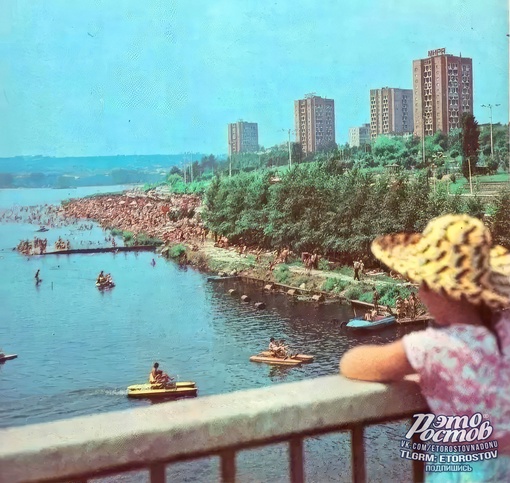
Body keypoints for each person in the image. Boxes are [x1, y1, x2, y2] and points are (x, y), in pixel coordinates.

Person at [340, 214, 510, 481]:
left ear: (439, 290)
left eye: (422, 284)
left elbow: (353, 363)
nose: (419, 293)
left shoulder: (432, 347)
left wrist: (423, 368)